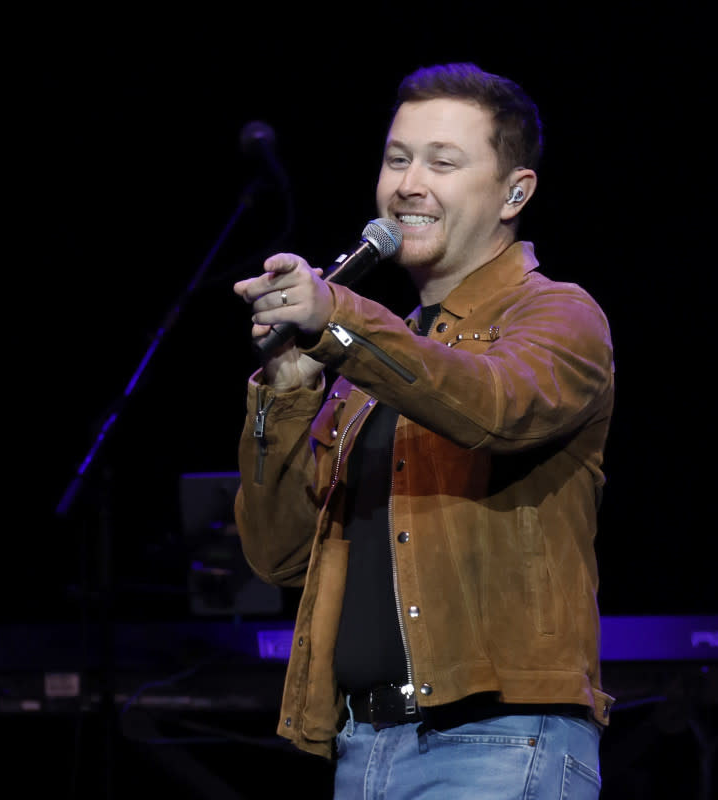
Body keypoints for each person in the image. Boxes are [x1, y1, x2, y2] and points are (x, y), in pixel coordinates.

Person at [232, 61, 616, 799]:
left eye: (443, 162)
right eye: (397, 158)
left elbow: (494, 407)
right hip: (364, 749)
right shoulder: (370, 363)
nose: (409, 183)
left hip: (501, 739)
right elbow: (280, 556)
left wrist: (339, 320)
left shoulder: (558, 316)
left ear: (514, 193)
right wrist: (283, 394)